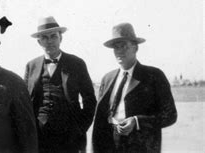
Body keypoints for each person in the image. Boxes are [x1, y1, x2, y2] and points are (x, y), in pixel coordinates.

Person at [92, 23, 177, 153]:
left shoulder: (154, 76)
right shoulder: (107, 79)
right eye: (116, 47)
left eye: (124, 46)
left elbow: (170, 115)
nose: (119, 51)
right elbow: (100, 122)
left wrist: (137, 121)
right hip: (110, 146)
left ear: (135, 48)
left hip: (141, 147)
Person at [24, 16, 97, 153]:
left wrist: (81, 128)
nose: (50, 41)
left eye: (53, 36)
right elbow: (25, 101)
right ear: (39, 42)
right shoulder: (31, 66)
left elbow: (90, 99)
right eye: (45, 38)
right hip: (40, 136)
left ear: (60, 38)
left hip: (69, 136)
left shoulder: (77, 63)